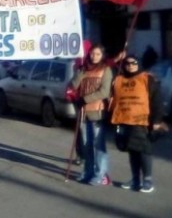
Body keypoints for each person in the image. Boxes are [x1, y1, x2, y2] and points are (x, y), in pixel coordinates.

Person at [110, 55, 164, 193]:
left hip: (142, 121)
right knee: (132, 150)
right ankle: (135, 179)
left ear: (138, 64)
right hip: (124, 119)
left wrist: (157, 121)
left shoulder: (147, 78)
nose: (130, 65)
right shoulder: (119, 79)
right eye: (127, 63)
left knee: (143, 150)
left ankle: (147, 180)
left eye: (134, 63)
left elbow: (157, 101)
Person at [69, 43, 116, 186]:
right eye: (92, 54)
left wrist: (85, 99)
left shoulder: (105, 70)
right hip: (83, 112)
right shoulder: (84, 68)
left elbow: (104, 92)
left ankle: (100, 174)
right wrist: (79, 72)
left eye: (97, 54)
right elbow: (73, 85)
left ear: (102, 56)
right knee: (86, 144)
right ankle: (88, 171)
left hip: (97, 111)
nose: (94, 57)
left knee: (98, 144)